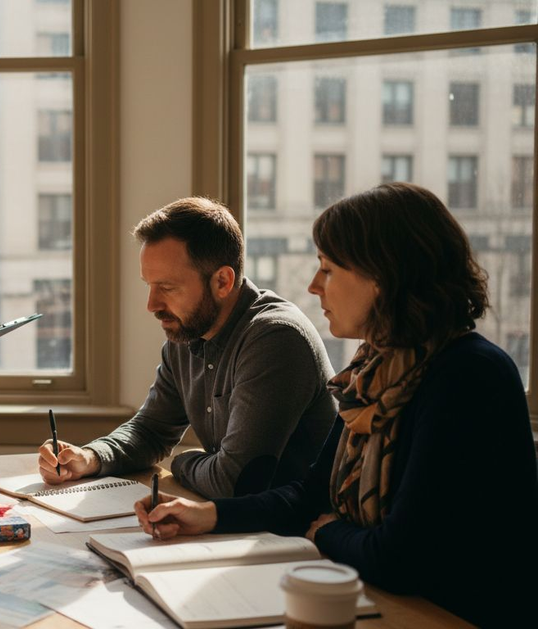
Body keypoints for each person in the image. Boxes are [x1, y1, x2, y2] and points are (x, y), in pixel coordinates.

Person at [134, 183, 538, 627]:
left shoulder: (468, 376)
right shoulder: (374, 371)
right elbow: (309, 496)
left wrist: (325, 530)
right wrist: (207, 515)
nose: (314, 286)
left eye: (328, 269)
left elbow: (397, 556)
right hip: (379, 597)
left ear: (383, 278)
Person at [39, 197, 337, 498]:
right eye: (149, 286)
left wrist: (183, 460)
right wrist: (90, 458)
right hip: (235, 527)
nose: (152, 305)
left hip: (293, 536)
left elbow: (233, 482)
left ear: (222, 281)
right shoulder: (187, 332)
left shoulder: (275, 339)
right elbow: (151, 430)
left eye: (167, 288)